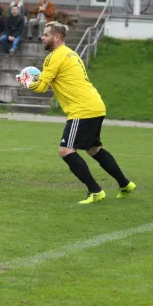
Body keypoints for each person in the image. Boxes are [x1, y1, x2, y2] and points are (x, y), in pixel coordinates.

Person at [17, 21, 136, 204]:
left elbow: (40, 87)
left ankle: (95, 191)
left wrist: (26, 82)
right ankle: (125, 184)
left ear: (57, 37)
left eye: (46, 34)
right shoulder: (71, 53)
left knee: (65, 150)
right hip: (95, 105)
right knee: (93, 149)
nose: (42, 37)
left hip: (82, 109)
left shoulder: (54, 57)